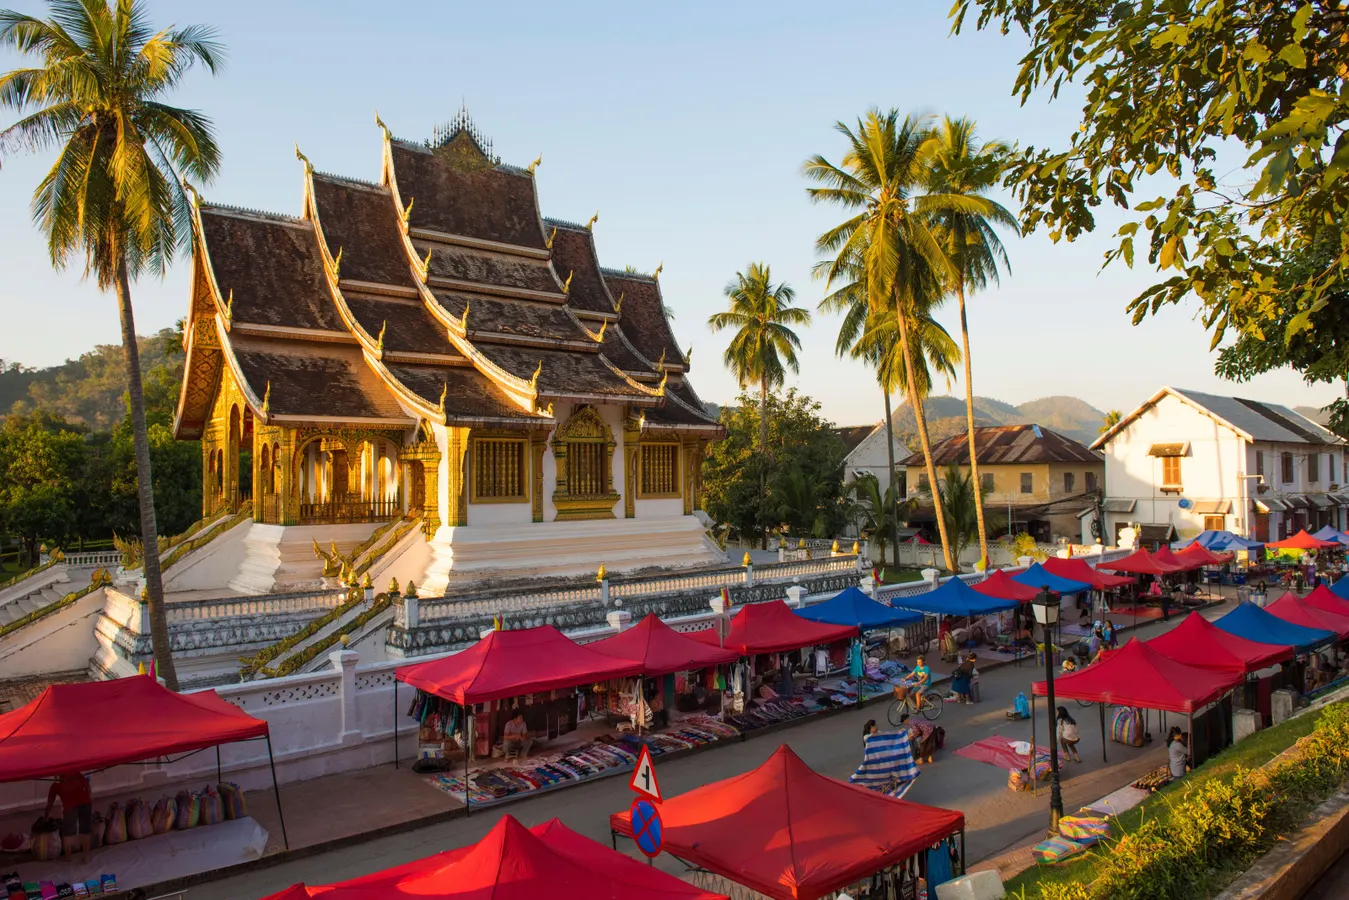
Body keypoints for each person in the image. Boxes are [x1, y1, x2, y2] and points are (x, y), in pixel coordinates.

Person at [44, 771, 92, 863]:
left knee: (68, 832)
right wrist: (90, 799)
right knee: (85, 830)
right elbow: (87, 787)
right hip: (86, 803)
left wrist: (45, 817)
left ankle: (68, 856)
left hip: (70, 807)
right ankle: (86, 856)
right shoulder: (77, 774)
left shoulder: (55, 785)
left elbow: (49, 804)